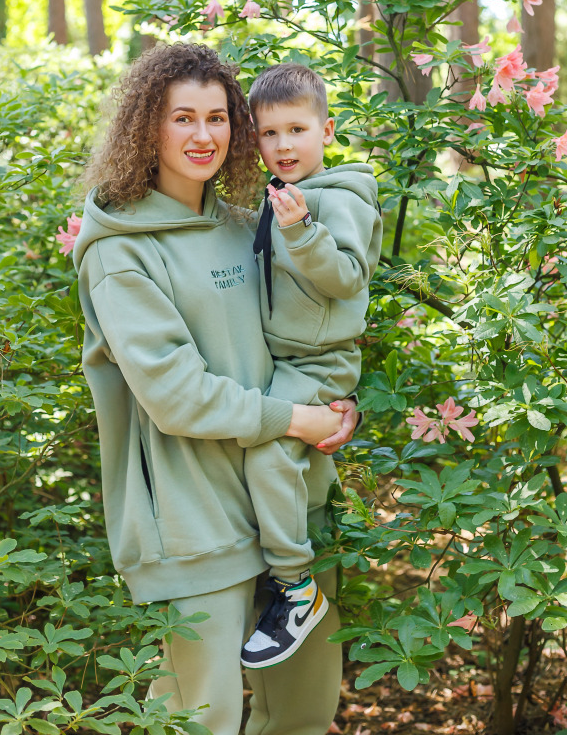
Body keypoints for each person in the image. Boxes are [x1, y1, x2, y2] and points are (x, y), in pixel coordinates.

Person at [73, 42, 358, 735]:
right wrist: (297, 419)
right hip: (192, 525)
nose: (203, 136)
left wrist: (333, 401)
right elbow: (175, 394)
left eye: (217, 117)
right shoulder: (119, 251)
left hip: (285, 507)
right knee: (201, 719)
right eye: (181, 119)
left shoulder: (247, 223)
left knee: (304, 715)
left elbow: (312, 323)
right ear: (148, 127)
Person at [240, 64, 382, 669]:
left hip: (319, 363)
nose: (283, 146)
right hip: (288, 359)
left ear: (326, 129)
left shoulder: (337, 198)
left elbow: (348, 277)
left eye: (297, 129)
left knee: (268, 454)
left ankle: (297, 589)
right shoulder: (280, 197)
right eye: (269, 134)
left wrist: (300, 231)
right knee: (280, 465)